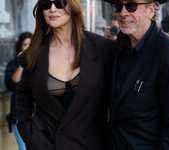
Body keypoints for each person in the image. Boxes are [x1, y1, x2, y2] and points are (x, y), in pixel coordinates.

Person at [16, 0, 118, 150]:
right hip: (47, 144)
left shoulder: (104, 48)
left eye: (59, 3)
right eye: (46, 4)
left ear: (73, 6)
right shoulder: (34, 53)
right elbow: (23, 93)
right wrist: (29, 131)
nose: (52, 9)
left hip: (92, 144)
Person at [103, 0, 169, 149]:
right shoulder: (119, 46)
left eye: (131, 5)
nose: (123, 12)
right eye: (118, 5)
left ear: (151, 10)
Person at [5, 31, 32, 150]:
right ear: (20, 46)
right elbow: (12, 83)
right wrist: (23, 62)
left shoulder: (41, 63)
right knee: (23, 148)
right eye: (25, 45)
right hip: (19, 114)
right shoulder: (13, 64)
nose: (27, 48)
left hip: (39, 114)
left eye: (30, 45)